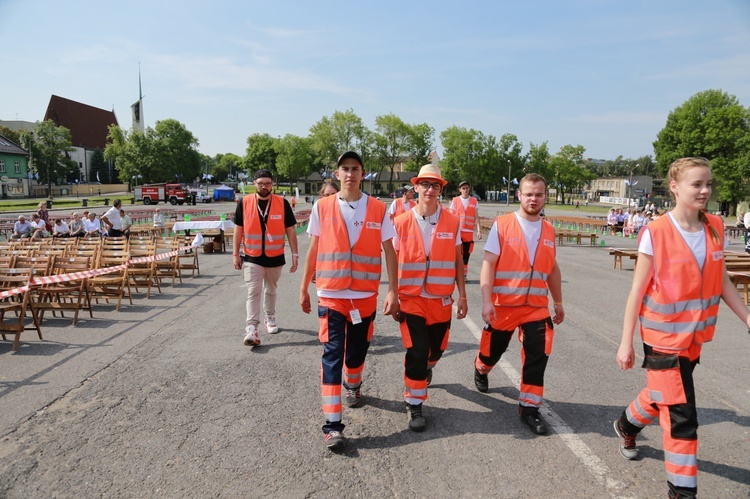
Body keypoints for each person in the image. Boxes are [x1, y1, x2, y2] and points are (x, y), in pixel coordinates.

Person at [614, 157, 750, 499]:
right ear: (674, 186)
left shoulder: (715, 227)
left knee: (662, 394)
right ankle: (682, 491)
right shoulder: (655, 232)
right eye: (696, 184)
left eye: (708, 184)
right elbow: (637, 292)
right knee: (681, 418)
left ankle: (626, 424)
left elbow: (722, 282)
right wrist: (625, 342)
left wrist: (748, 317)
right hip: (661, 339)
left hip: (693, 339)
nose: (705, 190)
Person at [299, 150, 399, 450]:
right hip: (330, 294)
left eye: (355, 169)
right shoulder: (322, 206)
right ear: (336, 173)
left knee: (356, 353)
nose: (350, 174)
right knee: (332, 356)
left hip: (364, 297)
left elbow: (390, 251)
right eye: (345, 169)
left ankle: (353, 384)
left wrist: (393, 290)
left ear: (363, 173)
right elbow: (314, 248)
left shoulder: (379, 209)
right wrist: (304, 287)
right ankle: (332, 426)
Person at [473, 173, 564, 435]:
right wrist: (487, 301)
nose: (533, 199)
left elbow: (552, 269)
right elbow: (488, 264)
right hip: (504, 306)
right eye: (529, 194)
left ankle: (530, 409)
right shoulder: (502, 224)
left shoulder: (548, 229)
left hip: (536, 308)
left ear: (545, 197)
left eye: (538, 194)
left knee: (538, 357)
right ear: (519, 196)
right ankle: (481, 368)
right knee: (492, 352)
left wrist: (558, 301)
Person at [392, 164, 467, 431]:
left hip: (440, 299)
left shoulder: (452, 221)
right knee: (417, 350)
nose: (429, 189)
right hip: (411, 297)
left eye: (435, 185)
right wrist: (392, 293)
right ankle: (414, 403)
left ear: (441, 189)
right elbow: (392, 261)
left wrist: (463, 295)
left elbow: (458, 259)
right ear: (416, 187)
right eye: (425, 184)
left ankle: (427, 367)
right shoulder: (399, 222)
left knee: (436, 350)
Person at [233, 169, 299, 346]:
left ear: (272, 185)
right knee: (253, 291)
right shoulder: (245, 202)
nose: (264, 186)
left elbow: (290, 230)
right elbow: (238, 229)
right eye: (261, 183)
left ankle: (270, 315)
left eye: (268, 183)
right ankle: (251, 328)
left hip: (275, 256)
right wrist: (235, 254)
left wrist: (295, 254)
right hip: (252, 256)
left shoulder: (281, 203)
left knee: (271, 289)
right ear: (254, 183)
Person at [449, 181, 482, 279]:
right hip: (457, 232)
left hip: (468, 232)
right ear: (460, 190)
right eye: (463, 188)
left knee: (466, 255)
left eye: (467, 188)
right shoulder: (455, 200)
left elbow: (477, 217)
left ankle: (463, 275)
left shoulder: (474, 201)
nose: (465, 190)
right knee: (456, 254)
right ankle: (455, 274)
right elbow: (450, 217)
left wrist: (479, 230)